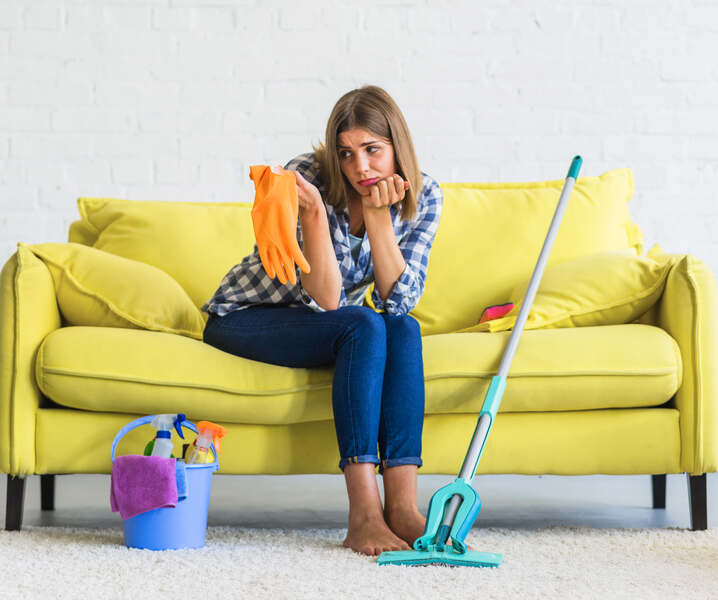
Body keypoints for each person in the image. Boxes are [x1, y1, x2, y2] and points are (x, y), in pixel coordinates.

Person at [201, 85, 443, 556]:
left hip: (320, 323)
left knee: (401, 328)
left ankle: (403, 508)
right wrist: (312, 212)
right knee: (361, 323)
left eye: (373, 151)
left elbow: (400, 302)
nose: (360, 168)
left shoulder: (425, 194)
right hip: (247, 317)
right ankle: (363, 516)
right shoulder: (306, 177)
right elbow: (329, 299)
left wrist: (377, 218)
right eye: (347, 154)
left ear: (397, 145)